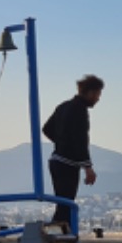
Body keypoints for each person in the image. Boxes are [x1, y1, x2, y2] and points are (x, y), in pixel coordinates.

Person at [41, 74, 104, 228]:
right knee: (67, 204)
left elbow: (46, 129)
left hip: (55, 161)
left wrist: (62, 142)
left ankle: (58, 231)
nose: (97, 99)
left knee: (63, 203)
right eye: (97, 94)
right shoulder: (80, 110)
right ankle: (58, 235)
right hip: (67, 164)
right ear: (89, 93)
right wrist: (88, 167)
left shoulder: (63, 106)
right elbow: (80, 140)